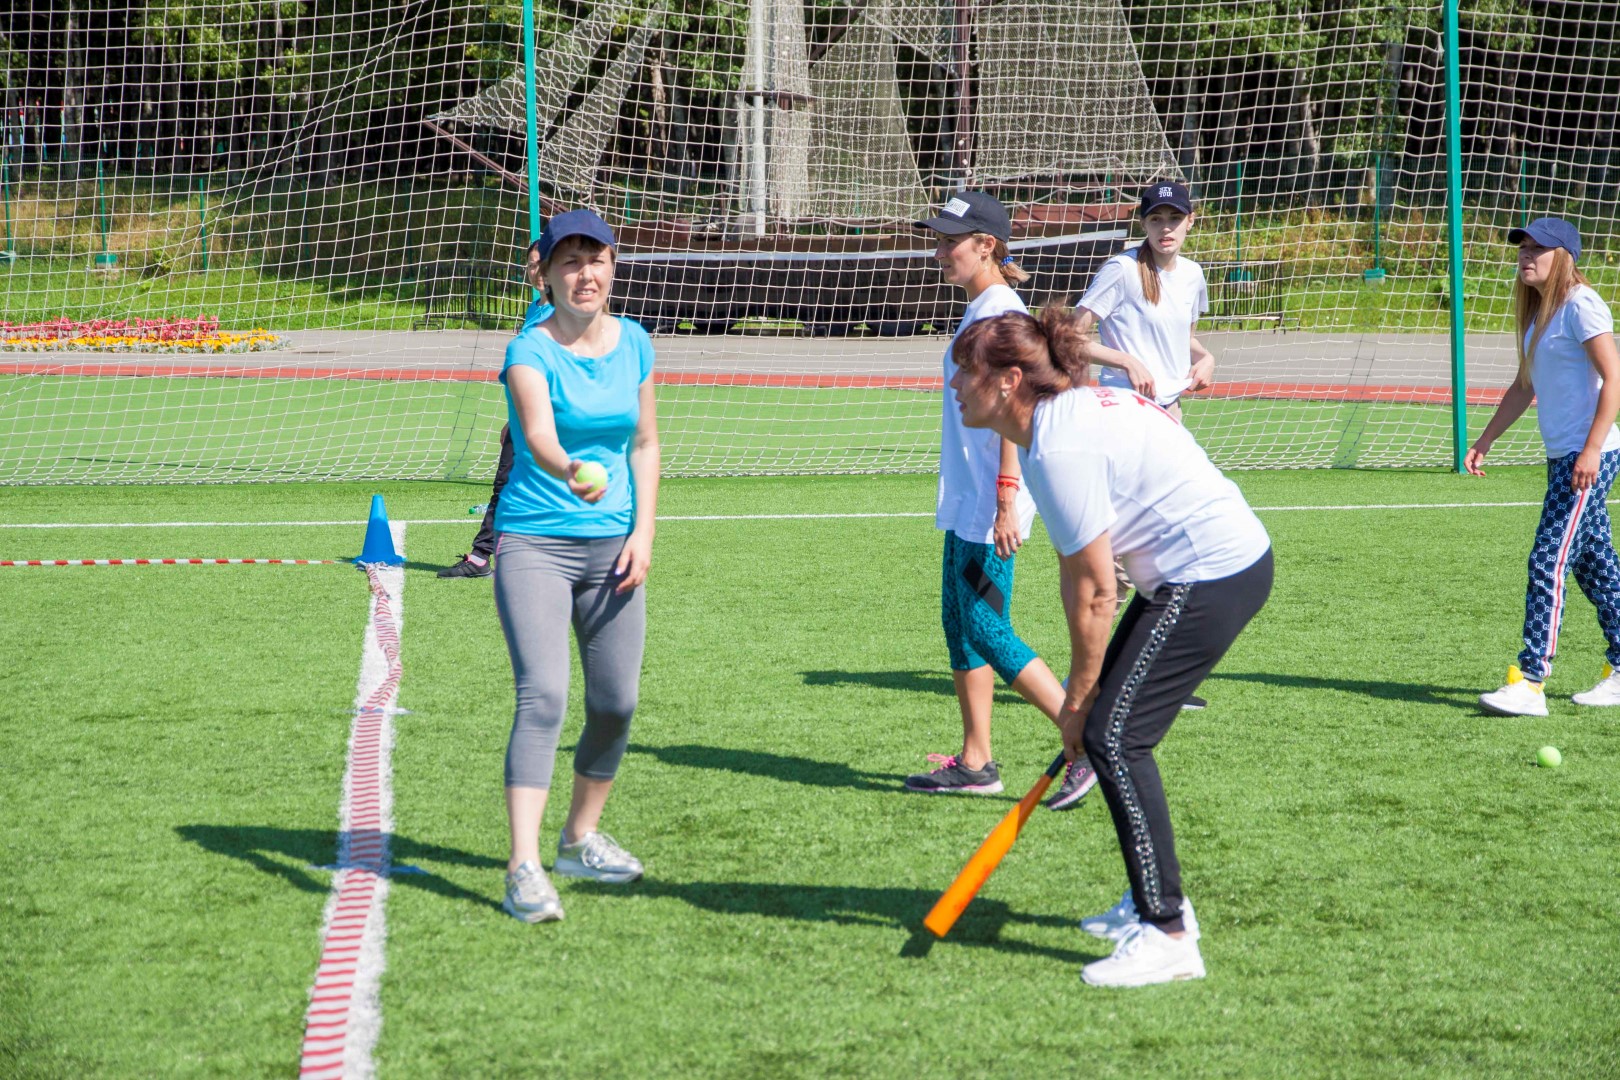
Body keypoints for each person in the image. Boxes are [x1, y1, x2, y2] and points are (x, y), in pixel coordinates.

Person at [949, 303, 1272, 987]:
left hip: (1211, 573)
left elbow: (1099, 592)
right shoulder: (1052, 430)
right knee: (1109, 733)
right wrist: (1078, 699)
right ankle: (1153, 898)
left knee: (1114, 739)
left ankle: (1169, 931)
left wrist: (1079, 699)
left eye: (963, 373)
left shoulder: (1058, 444)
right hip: (1193, 571)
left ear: (1007, 381)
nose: (953, 387)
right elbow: (1080, 574)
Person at [493, 209, 660, 923]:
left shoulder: (637, 344)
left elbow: (647, 444)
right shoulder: (528, 349)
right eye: (569, 262)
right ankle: (523, 866)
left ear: (613, 265)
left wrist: (643, 532)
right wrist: (574, 469)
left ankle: (578, 838)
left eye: (595, 259)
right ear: (547, 274)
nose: (584, 273)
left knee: (616, 703)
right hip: (535, 540)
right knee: (545, 697)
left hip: (614, 548)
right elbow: (536, 437)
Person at [902, 191, 1094, 809]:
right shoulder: (980, 306)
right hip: (968, 496)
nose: (939, 251)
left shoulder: (998, 312)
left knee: (987, 626)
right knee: (959, 624)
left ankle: (1085, 741)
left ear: (986, 246)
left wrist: (1008, 497)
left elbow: (1021, 408)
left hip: (991, 502)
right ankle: (977, 759)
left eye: (949, 240)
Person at [1468, 217, 1620, 716]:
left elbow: (1614, 379)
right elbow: (1523, 387)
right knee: (1595, 567)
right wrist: (1485, 441)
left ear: (1565, 258)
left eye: (1538, 249)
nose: (1526, 256)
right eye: (1523, 248)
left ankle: (1531, 680)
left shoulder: (1582, 305)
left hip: (1588, 457)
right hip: (1565, 458)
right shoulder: (1541, 314)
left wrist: (1592, 450)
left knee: (1548, 560)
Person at [1076, 180, 1215, 709]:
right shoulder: (1121, 270)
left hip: (1169, 420)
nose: (1166, 228)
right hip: (1123, 421)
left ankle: (1147, 679)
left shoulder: (1194, 275)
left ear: (1190, 221)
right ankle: (1093, 684)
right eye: (1156, 219)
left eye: (1174, 219)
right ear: (1143, 223)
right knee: (1114, 561)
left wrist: (1206, 359)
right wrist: (1126, 362)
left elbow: (1182, 336)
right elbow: (1073, 334)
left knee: (1172, 549)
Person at [441, 271, 555, 579]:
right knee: (509, 487)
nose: (537, 271)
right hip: (523, 417)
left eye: (542, 263)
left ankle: (490, 556)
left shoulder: (560, 315)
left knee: (529, 487)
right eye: (532, 264)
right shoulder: (536, 307)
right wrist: (513, 417)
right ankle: (485, 557)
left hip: (547, 418)